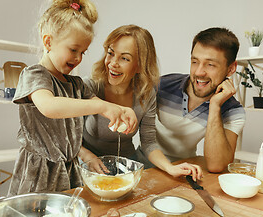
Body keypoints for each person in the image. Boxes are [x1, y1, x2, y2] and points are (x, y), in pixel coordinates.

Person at [7, 0, 137, 196]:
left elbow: (96, 103)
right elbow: (50, 107)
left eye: (83, 52)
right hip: (38, 171)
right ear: (48, 42)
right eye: (73, 49)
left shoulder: (76, 83)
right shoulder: (34, 75)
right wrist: (102, 107)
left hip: (68, 169)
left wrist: (120, 109)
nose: (78, 58)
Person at [79, 25, 202, 180]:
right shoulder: (89, 87)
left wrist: (170, 168)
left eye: (124, 58)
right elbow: (67, 139)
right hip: (87, 166)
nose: (112, 63)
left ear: (139, 66)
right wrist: (88, 157)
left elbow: (149, 143)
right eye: (110, 53)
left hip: (125, 166)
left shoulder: (146, 94)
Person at [155, 27, 246, 173]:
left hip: (186, 169)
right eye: (195, 62)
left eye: (210, 64)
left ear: (230, 69)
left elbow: (217, 165)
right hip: (146, 164)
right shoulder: (161, 86)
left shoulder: (233, 111)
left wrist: (215, 106)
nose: (198, 72)